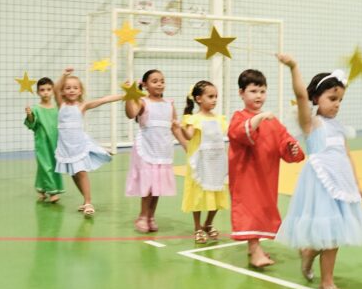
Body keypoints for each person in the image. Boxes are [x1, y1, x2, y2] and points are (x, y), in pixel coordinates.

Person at [276, 56, 362, 289]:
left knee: (334, 234)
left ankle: (309, 253)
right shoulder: (312, 123)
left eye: (340, 99)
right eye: (332, 98)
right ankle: (327, 285)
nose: (337, 104)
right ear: (316, 98)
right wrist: (294, 67)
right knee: (331, 236)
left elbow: (347, 156)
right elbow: (299, 95)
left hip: (341, 185)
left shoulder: (338, 127)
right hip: (320, 186)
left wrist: (356, 184)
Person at [228, 68, 305, 267]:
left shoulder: (273, 121)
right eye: (253, 91)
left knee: (263, 210)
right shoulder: (239, 117)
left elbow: (285, 142)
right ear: (241, 93)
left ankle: (255, 248)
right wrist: (259, 118)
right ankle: (255, 251)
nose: (258, 96)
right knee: (249, 210)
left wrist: (291, 147)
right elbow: (238, 133)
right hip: (246, 177)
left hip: (266, 176)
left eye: (262, 91)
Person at [54, 67, 123, 216]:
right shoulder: (61, 104)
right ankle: (84, 200)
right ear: (63, 91)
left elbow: (104, 100)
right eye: (68, 88)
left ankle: (88, 201)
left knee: (81, 172)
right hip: (66, 146)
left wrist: (125, 95)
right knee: (74, 173)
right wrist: (64, 75)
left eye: (75, 88)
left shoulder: (82, 106)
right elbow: (55, 89)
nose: (71, 90)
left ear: (80, 91)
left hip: (79, 145)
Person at [125, 69, 177, 233]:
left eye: (162, 80)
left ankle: (151, 216)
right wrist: (128, 96)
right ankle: (142, 215)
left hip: (163, 149)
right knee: (148, 186)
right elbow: (130, 113)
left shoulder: (169, 104)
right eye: (155, 81)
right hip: (147, 149)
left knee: (157, 186)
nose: (159, 83)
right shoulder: (143, 102)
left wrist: (186, 144)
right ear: (145, 85)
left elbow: (175, 126)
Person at [178, 79, 229, 244]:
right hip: (200, 163)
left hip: (216, 162)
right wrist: (180, 128)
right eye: (210, 96)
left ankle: (208, 223)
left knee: (216, 193)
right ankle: (198, 227)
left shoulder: (220, 118)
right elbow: (189, 136)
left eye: (216, 96)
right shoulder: (194, 119)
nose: (214, 100)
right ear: (199, 99)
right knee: (199, 196)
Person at [25, 76, 65, 203]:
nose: (46, 92)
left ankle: (41, 188)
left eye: (48, 89)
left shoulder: (57, 108)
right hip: (42, 143)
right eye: (42, 90)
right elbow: (32, 124)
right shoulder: (36, 109)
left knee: (52, 165)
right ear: (38, 92)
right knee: (45, 165)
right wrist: (30, 115)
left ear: (53, 91)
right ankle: (52, 191)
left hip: (55, 143)